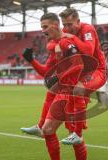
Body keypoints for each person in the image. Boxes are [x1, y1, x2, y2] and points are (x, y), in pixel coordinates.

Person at [22, 13, 88, 160]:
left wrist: (60, 77)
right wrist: (31, 60)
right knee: (50, 130)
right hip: (64, 91)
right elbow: (46, 71)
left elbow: (79, 65)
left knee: (68, 135)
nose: (43, 30)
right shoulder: (55, 45)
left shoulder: (66, 42)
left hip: (74, 92)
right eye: (41, 27)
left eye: (45, 27)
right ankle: (40, 126)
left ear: (55, 25)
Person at [58, 8, 107, 144]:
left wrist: (72, 38)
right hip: (82, 73)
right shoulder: (66, 32)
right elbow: (58, 45)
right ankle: (46, 126)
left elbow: (89, 51)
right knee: (68, 107)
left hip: (98, 70)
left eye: (69, 24)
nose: (66, 28)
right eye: (64, 24)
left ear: (78, 21)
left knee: (78, 89)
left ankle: (78, 134)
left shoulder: (87, 29)